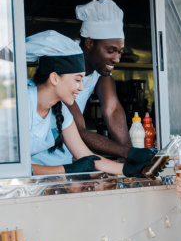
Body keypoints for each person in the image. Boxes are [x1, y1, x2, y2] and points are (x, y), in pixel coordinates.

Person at [26, 30, 148, 178]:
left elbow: (86, 156)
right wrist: (67, 170)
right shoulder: (22, 105)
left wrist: (130, 169)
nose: (81, 88)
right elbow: (11, 167)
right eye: (77, 80)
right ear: (54, 78)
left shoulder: (61, 109)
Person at [62, 0, 151, 162]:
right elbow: (79, 129)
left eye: (120, 51)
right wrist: (128, 153)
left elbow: (113, 109)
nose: (117, 59)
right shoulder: (66, 65)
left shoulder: (99, 69)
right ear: (89, 43)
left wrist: (132, 155)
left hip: (67, 154)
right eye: (111, 50)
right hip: (40, 161)